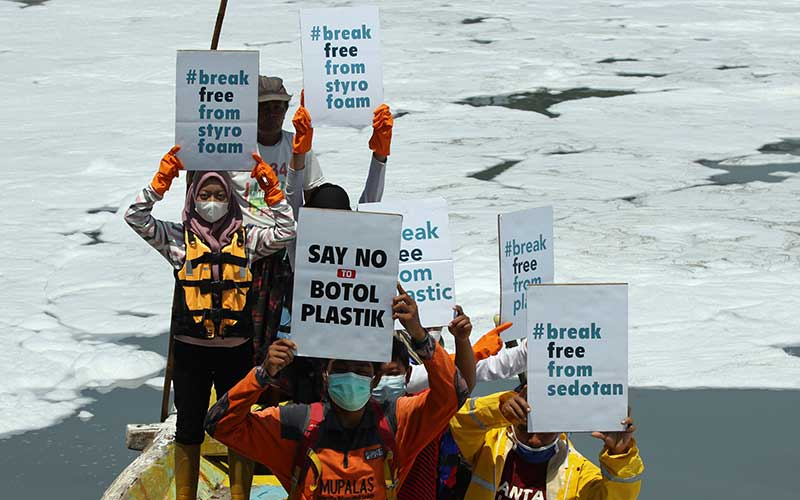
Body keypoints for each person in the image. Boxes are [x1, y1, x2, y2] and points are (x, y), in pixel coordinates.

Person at [124, 147, 296, 500]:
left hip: (236, 352)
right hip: (191, 353)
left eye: (219, 195)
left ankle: (239, 497)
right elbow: (135, 217)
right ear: (193, 198)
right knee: (188, 429)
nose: (212, 202)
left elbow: (286, 230)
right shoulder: (177, 240)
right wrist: (160, 184)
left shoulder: (246, 239)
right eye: (204, 195)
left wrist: (272, 190)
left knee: (239, 426)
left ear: (230, 199)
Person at [204, 285, 469, 500]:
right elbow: (220, 424)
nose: (352, 374)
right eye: (341, 366)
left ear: (374, 379)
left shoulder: (398, 422)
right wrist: (261, 375)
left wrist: (420, 336)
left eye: (361, 368)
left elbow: (452, 395)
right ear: (325, 375)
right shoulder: (297, 425)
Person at [450, 388, 644, 500]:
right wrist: (498, 407)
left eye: (545, 428)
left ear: (563, 425)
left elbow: (620, 495)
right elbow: (458, 421)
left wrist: (620, 456)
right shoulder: (489, 446)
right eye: (525, 428)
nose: (534, 440)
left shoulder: (578, 473)